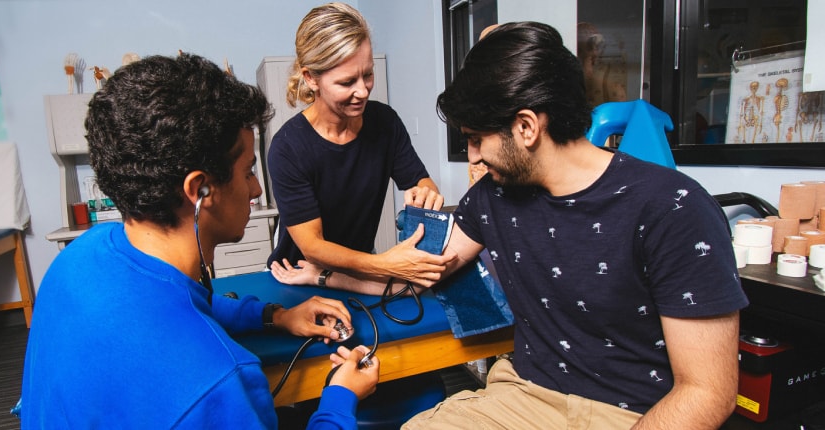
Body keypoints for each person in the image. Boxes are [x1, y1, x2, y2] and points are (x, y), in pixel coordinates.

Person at [285, 22, 748, 429]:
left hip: (629, 415)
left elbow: (707, 393)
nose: (471, 158)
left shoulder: (673, 208)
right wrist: (325, 276)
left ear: (526, 127)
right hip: (521, 395)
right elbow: (420, 273)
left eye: (474, 140)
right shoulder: (493, 196)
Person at [20, 53, 379, 429]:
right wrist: (341, 397)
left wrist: (274, 316)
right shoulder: (219, 383)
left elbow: (182, 300)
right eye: (248, 172)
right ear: (200, 189)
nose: (256, 189)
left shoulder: (79, 256)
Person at [266, 2, 453, 287]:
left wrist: (426, 194)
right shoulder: (288, 148)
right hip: (299, 274)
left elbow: (421, 182)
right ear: (310, 78)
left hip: (361, 266)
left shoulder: (384, 123)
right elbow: (312, 246)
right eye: (347, 81)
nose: (362, 90)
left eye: (367, 74)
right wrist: (387, 264)